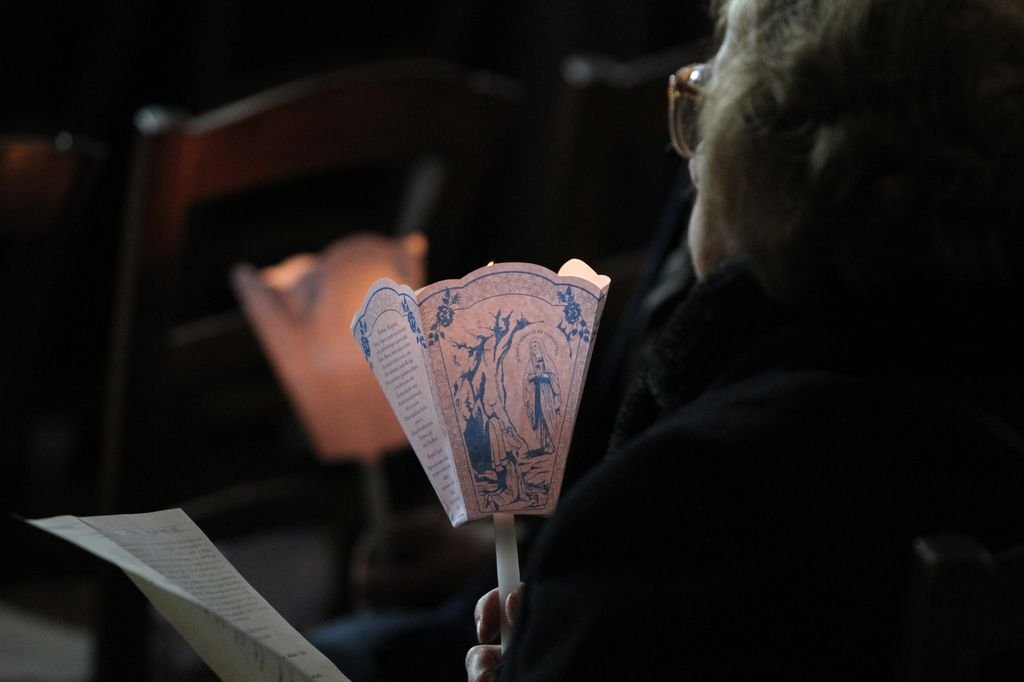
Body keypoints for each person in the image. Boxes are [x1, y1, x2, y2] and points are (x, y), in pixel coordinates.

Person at [468, 0, 1024, 679]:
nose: (693, 167)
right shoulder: (983, 416)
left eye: (706, 110)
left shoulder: (681, 511)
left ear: (777, 170)